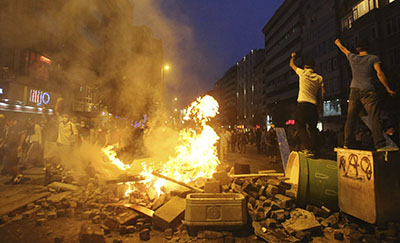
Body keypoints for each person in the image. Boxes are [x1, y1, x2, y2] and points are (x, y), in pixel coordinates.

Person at [334, 39, 398, 151]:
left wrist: (338, 43)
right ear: (368, 47)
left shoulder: (352, 57)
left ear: (357, 49)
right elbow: (379, 73)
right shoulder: (373, 58)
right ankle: (380, 145)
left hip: (354, 90)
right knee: (374, 117)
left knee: (351, 118)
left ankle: (346, 143)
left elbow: (344, 50)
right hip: (368, 91)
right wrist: (388, 88)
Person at [290, 52, 324, 157]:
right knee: (313, 129)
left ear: (305, 67)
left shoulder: (302, 73)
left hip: (303, 105)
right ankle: (315, 149)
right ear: (314, 67)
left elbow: (292, 65)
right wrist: (320, 104)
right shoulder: (319, 78)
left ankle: (308, 148)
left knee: (300, 126)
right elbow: (322, 93)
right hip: (313, 106)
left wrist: (293, 57)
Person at [1, 116, 27, 184]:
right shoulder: (9, 128)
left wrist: (20, 145)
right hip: (9, 148)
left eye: (8, 121)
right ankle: (14, 176)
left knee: (12, 163)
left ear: (12, 120)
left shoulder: (19, 126)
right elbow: (6, 138)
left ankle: (19, 175)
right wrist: (2, 144)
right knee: (8, 163)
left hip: (15, 148)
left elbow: (23, 135)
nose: (7, 123)